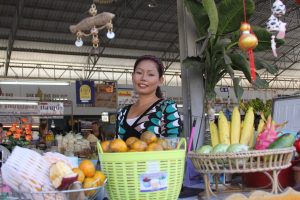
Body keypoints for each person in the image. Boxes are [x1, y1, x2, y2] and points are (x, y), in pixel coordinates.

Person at [116, 55, 182, 141]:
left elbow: (171, 146)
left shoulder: (166, 107)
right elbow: (116, 146)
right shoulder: (122, 113)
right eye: (139, 73)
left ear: (160, 80)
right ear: (132, 76)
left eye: (150, 74)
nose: (143, 78)